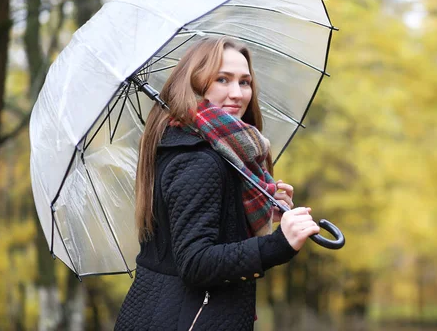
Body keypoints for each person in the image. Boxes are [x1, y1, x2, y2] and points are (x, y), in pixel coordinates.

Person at [115, 36, 320, 330]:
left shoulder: (194, 145)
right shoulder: (200, 159)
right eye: (222, 79)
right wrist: (278, 244)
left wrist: (255, 210)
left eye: (245, 82)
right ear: (195, 84)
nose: (237, 93)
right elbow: (195, 262)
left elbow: (192, 230)